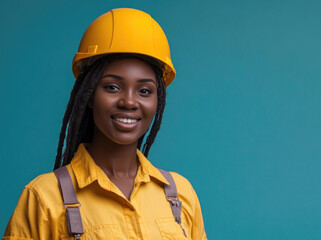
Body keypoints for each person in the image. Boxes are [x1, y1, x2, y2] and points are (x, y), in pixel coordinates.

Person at [3, 8, 207, 240]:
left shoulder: (180, 195)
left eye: (144, 91)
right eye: (112, 87)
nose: (129, 102)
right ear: (89, 95)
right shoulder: (44, 197)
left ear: (157, 101)